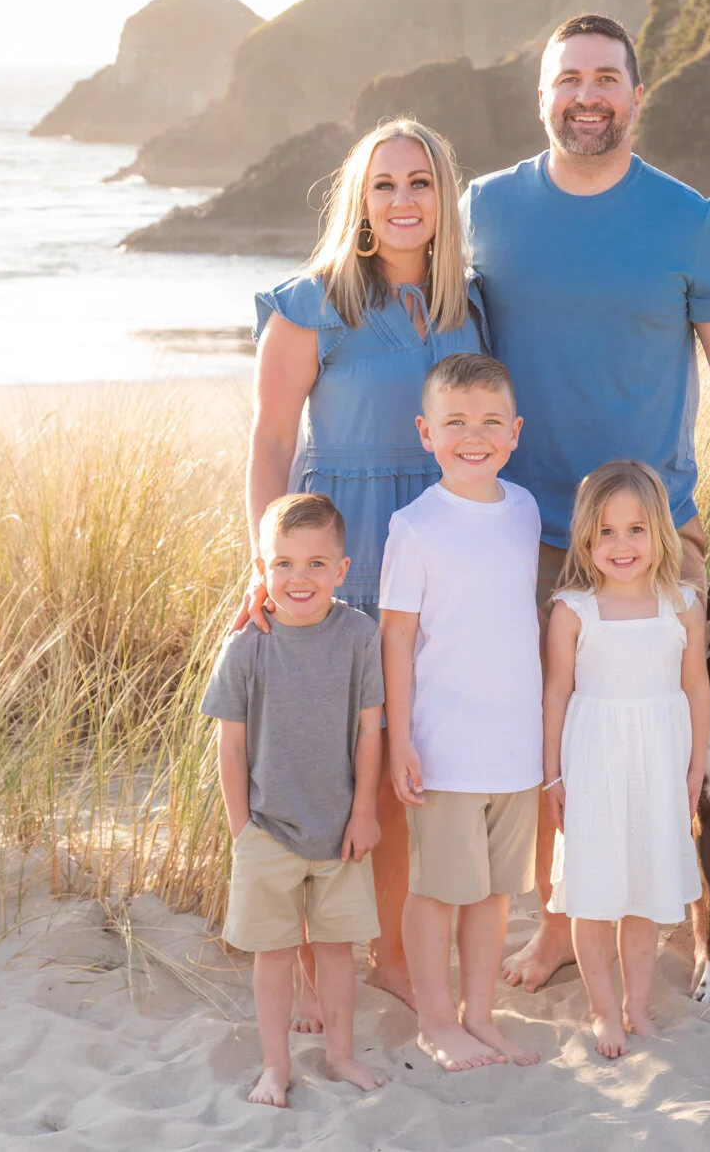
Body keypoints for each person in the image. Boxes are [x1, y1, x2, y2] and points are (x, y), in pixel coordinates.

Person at [462, 13, 710, 991]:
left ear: (635, 95)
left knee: (673, 726)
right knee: (552, 732)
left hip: (658, 533)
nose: (587, 96)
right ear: (542, 94)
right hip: (524, 528)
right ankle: (558, 924)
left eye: (605, 78)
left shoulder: (686, 219)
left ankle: (694, 912)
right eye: (568, 78)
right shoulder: (484, 208)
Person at [244, 117, 485, 1013]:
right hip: (341, 554)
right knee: (329, 758)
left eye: (420, 182)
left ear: (443, 196)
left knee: (404, 760)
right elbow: (270, 442)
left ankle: (387, 953)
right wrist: (266, 563)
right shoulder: (311, 305)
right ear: (360, 199)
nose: (403, 200)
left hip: (439, 554)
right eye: (384, 184)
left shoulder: (471, 306)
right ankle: (312, 952)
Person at [378, 352, 543, 1072]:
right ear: (426, 432)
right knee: (437, 890)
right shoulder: (414, 526)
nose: (473, 437)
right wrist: (400, 743)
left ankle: (480, 1014)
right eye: (454, 423)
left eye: (489, 422)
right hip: (444, 746)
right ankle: (436, 1021)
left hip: (515, 746)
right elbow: (396, 637)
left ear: (514, 432)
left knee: (494, 893)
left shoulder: (525, 510)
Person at [200, 493, 387, 1108]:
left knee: (336, 950)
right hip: (267, 830)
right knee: (274, 955)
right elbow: (231, 747)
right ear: (262, 567)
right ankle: (275, 1067)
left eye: (315, 564)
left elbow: (369, 732)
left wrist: (364, 812)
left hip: (340, 829)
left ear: (342, 569)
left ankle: (340, 1054)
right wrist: (242, 829)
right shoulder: (245, 647)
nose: (298, 578)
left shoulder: (359, 637)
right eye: (283, 563)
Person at [542, 460, 710, 1059]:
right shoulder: (573, 610)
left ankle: (636, 1004)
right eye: (606, 532)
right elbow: (556, 694)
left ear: (659, 532)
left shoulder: (683, 605)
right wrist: (552, 776)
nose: (622, 545)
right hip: (593, 770)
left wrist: (695, 769)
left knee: (644, 893)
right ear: (586, 538)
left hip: (659, 770)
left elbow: (696, 689)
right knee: (594, 895)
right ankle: (601, 1010)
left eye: (636, 530)